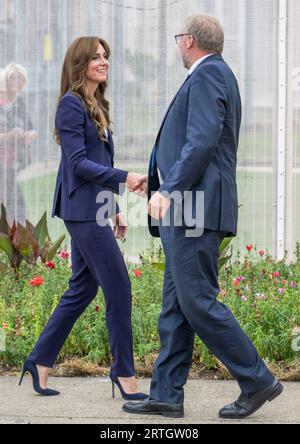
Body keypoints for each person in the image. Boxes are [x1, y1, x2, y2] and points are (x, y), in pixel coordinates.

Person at [123, 14, 283, 419]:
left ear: (189, 40)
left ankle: (258, 379)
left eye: (179, 38)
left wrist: (169, 191)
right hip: (189, 205)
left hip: (194, 207)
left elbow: (201, 141)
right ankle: (165, 394)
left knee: (197, 301)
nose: (178, 45)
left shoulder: (208, 74)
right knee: (177, 305)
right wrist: (157, 183)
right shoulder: (214, 73)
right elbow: (191, 142)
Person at [19, 36, 148, 400]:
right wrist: (126, 178)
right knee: (119, 286)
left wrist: (114, 207)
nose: (104, 61)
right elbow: (77, 164)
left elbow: (99, 163)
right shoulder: (71, 105)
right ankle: (124, 374)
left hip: (94, 209)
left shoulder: (95, 104)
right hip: (81, 212)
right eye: (96, 57)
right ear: (81, 64)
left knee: (83, 287)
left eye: (106, 56)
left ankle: (39, 360)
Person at [0, 63, 37, 224]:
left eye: (19, 77)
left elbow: (31, 128)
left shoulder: (19, 103)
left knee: (12, 200)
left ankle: (15, 235)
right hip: (2, 161)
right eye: (12, 77)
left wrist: (30, 134)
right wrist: (8, 136)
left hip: (13, 162)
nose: (16, 81)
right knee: (15, 201)